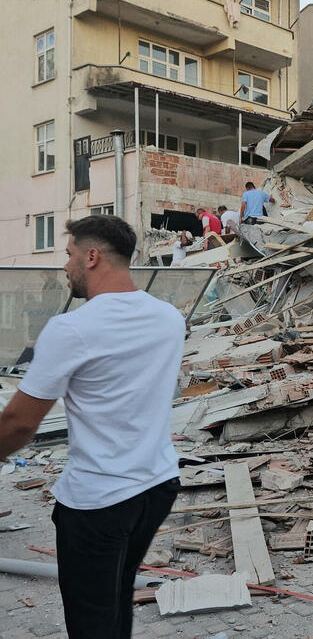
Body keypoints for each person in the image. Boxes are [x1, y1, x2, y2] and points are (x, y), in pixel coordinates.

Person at [0, 214, 184, 637]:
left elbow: (20, 424)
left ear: (92, 256)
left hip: (99, 500)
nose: (65, 266)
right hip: (157, 486)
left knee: (91, 621)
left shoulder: (72, 329)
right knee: (117, 599)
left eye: (69, 255)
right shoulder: (169, 318)